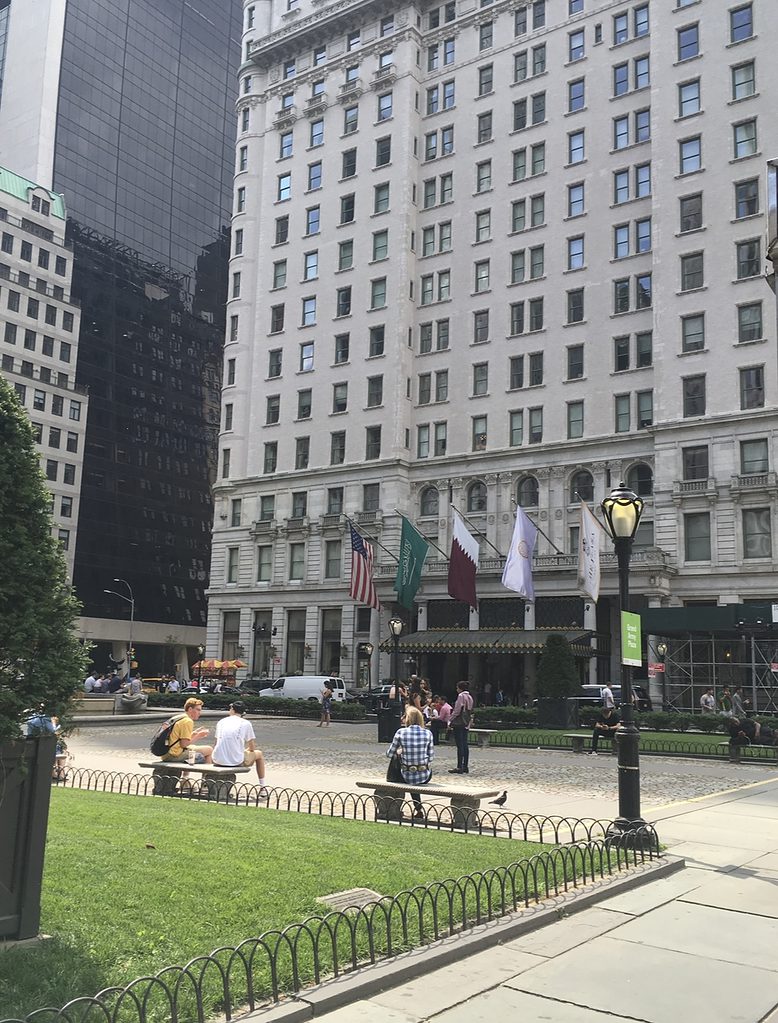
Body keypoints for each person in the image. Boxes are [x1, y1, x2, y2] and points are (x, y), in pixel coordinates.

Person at [385, 706, 434, 818]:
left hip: (405, 774)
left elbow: (389, 754)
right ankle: (418, 809)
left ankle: (396, 806)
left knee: (400, 762)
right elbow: (431, 757)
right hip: (425, 775)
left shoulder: (401, 732)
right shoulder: (428, 733)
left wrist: (400, 752)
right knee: (414, 777)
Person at [212, 701, 269, 795]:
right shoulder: (246, 723)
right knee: (259, 754)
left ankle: (204, 784)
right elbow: (252, 747)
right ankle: (262, 787)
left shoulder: (221, 722)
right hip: (236, 760)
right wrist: (246, 750)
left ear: (233, 710)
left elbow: (216, 742)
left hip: (218, 759)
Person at [162, 697, 213, 763]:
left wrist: (194, 733)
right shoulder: (188, 721)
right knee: (209, 750)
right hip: (174, 755)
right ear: (190, 709)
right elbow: (184, 744)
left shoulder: (181, 717)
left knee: (191, 749)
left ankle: (186, 773)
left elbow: (179, 739)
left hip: (166, 753)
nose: (199, 713)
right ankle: (208, 772)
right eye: (198, 710)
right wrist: (198, 736)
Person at [447, 680, 474, 774]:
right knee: (465, 744)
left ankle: (459, 766)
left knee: (460, 744)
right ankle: (465, 765)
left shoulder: (461, 696)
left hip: (459, 722)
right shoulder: (470, 697)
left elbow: (457, 710)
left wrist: (450, 719)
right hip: (466, 721)